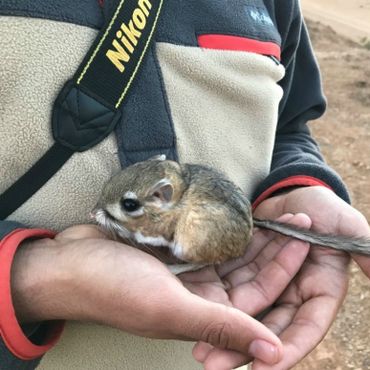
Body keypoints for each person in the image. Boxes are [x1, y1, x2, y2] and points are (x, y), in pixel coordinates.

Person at [0, 1, 369, 370]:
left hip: (213, 350)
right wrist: (27, 278)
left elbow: (289, 127)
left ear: (163, 196)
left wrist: (296, 187)